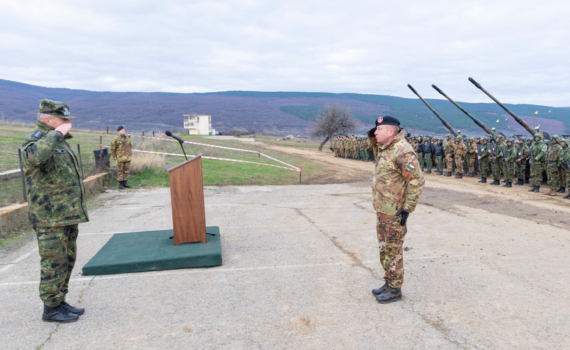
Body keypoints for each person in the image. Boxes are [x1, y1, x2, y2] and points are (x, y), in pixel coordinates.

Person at [21, 99, 89, 323]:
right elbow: (34, 158)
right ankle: (50, 309)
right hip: (49, 217)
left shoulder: (60, 142)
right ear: (47, 120)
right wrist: (57, 133)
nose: (68, 123)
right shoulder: (36, 140)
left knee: (67, 259)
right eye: (63, 119)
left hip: (67, 214)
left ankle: (59, 301)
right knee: (53, 261)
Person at [370, 116, 425, 304]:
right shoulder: (386, 148)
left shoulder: (403, 151)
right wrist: (376, 134)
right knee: (384, 250)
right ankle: (389, 281)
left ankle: (395, 289)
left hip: (394, 212)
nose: (375, 132)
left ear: (391, 132)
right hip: (382, 210)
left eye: (379, 129)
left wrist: (408, 208)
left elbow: (417, 180)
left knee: (393, 250)